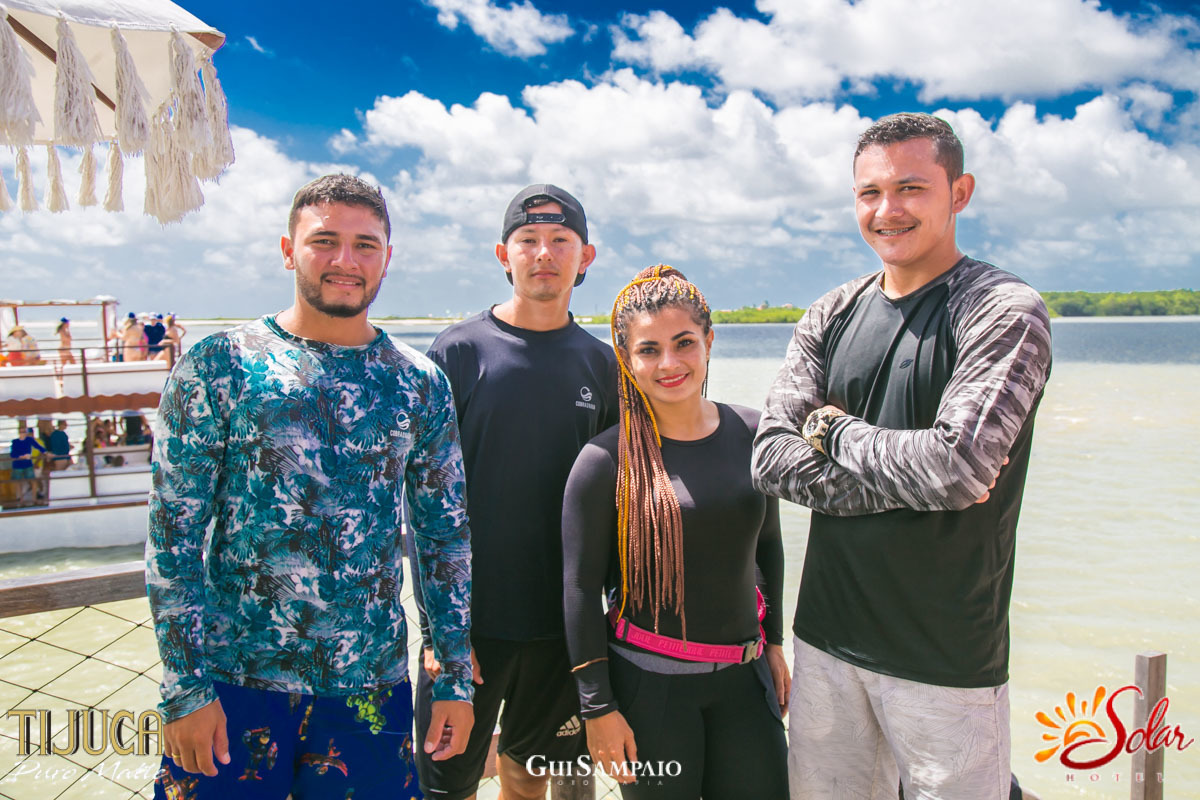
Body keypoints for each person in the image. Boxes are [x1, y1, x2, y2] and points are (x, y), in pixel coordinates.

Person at [751, 113, 1053, 799]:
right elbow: (769, 457)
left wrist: (831, 432)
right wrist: (923, 477)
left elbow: (956, 469)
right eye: (869, 192)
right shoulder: (833, 311)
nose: (887, 210)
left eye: (911, 187)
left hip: (946, 658)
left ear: (961, 191)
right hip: (826, 640)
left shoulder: (1002, 310)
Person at [146, 173, 475, 800]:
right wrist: (184, 688)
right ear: (287, 248)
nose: (345, 261)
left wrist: (454, 675)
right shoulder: (222, 365)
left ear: (387, 257)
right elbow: (173, 535)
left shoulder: (420, 383)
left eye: (366, 244)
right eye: (325, 241)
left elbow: (444, 537)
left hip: (370, 687)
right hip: (232, 684)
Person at [412, 183, 617, 800]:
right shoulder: (457, 353)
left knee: (530, 779)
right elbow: (419, 498)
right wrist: (435, 632)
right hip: (466, 625)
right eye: (528, 240)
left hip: (562, 628)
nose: (544, 253)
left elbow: (618, 497)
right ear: (504, 254)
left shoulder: (604, 365)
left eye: (561, 241)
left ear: (586, 257)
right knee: (445, 787)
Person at [562, 265, 789, 799]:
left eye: (684, 342)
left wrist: (775, 642)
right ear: (625, 358)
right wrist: (598, 708)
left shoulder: (755, 432)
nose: (669, 363)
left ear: (709, 341)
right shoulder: (603, 461)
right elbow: (577, 590)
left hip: (745, 680)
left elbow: (769, 546)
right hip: (649, 692)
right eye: (648, 350)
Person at [8, 427, 45, 507]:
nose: (23, 433)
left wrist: (45, 454)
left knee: (34, 480)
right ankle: (21, 499)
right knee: (19, 482)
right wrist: (21, 456)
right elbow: (12, 454)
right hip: (18, 464)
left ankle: (35, 498)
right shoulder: (15, 442)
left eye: (24, 432)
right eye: (21, 432)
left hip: (29, 464)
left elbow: (40, 449)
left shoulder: (31, 440)